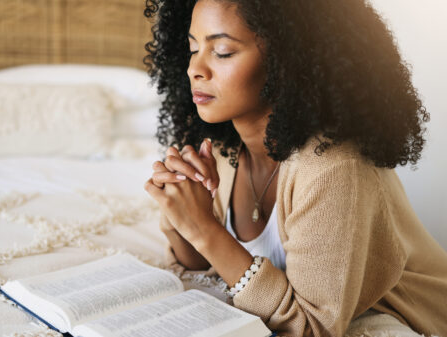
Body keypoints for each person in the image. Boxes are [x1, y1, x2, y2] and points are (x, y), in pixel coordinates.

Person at [142, 0, 447, 336]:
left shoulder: (334, 166)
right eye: (193, 48)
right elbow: (200, 266)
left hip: (406, 318)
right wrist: (180, 209)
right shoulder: (225, 149)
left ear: (287, 60)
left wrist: (205, 229)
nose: (195, 69)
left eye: (223, 51)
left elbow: (312, 329)